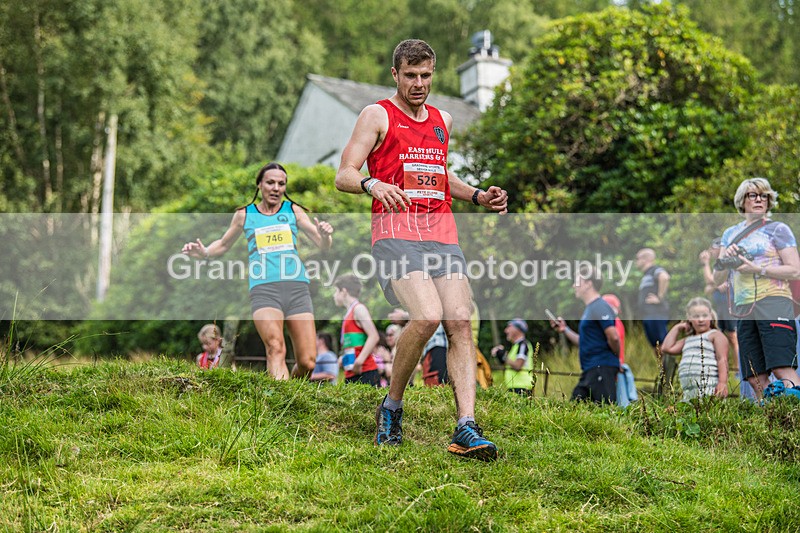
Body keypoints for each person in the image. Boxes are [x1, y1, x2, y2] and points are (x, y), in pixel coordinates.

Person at [334, 39, 507, 461]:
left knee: (459, 320)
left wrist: (478, 196)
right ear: (395, 74)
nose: (418, 83)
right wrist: (372, 183)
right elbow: (344, 174)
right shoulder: (377, 114)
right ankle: (392, 406)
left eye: (425, 75)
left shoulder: (442, 120)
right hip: (395, 232)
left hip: (441, 232)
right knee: (427, 315)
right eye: (410, 75)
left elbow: (441, 175)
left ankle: (466, 426)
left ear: (433, 74)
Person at [181, 162, 334, 380]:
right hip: (264, 290)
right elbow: (223, 244)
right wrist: (204, 252)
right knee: (275, 347)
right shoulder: (244, 214)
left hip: (297, 288)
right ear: (260, 184)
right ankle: (282, 397)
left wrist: (325, 235)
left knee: (308, 361)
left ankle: (293, 389)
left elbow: (323, 245)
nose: (276, 188)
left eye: (281, 184)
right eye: (270, 182)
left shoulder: (293, 210)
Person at [713, 177, 800, 399]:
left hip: (774, 300)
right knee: (754, 374)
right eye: (753, 195)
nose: (759, 199)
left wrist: (757, 269)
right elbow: (717, 278)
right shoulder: (730, 234)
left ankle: (794, 410)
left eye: (764, 195)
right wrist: (725, 259)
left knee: (781, 366)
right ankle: (770, 414)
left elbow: (795, 270)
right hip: (744, 307)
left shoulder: (778, 229)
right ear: (742, 201)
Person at [550, 268, 621, 404]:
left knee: (605, 411)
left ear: (589, 284)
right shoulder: (590, 309)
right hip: (590, 370)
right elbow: (584, 341)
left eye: (577, 281)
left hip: (601, 368)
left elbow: (614, 337)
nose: (574, 285)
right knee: (573, 409)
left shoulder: (599, 306)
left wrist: (615, 358)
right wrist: (565, 329)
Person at [700, 240, 747, 398]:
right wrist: (713, 285)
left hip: (730, 304)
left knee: (733, 337)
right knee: (719, 336)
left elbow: (711, 281)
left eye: (714, 249)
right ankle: (721, 369)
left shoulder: (727, 264)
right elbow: (708, 286)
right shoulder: (717, 267)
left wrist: (705, 264)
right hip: (719, 307)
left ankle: (739, 370)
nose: (712, 252)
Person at [661, 297, 729, 401]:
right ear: (689, 318)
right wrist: (678, 327)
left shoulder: (715, 335)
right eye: (696, 316)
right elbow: (666, 348)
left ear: (711, 316)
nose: (701, 319)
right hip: (689, 391)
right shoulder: (688, 340)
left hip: (709, 388)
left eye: (705, 315)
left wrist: (722, 383)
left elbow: (722, 359)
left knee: (708, 408)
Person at [333, 273, 381, 386]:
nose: (334, 295)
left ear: (343, 291)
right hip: (352, 373)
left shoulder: (359, 309)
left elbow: (374, 336)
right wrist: (343, 358)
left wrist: (359, 361)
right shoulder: (348, 313)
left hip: (365, 371)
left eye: (336, 291)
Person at [635, 247, 672, 394]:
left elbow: (665, 277)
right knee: (656, 347)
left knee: (662, 345)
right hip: (648, 315)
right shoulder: (646, 275)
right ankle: (663, 375)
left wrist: (659, 297)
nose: (636, 262)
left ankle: (668, 377)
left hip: (656, 314)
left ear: (646, 259)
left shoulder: (655, 270)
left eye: (638, 258)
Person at [601, 294, 637, 406]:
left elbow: (616, 343)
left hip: (614, 366)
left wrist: (618, 362)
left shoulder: (615, 323)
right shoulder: (614, 322)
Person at [492, 319, 535, 395]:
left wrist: (504, 356)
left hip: (522, 387)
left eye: (509, 327)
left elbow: (518, 366)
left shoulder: (523, 344)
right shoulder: (516, 346)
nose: (506, 330)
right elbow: (508, 364)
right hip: (515, 387)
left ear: (517, 329)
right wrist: (500, 355)